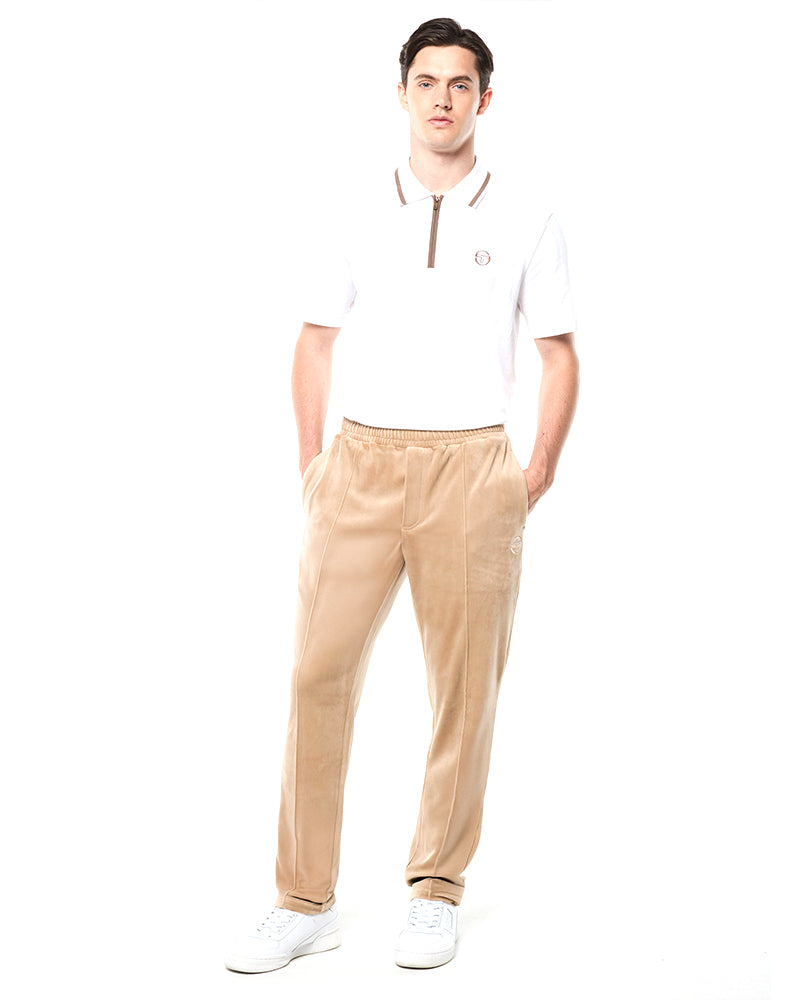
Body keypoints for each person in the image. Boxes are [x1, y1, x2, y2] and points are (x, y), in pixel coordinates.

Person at [225, 17, 579, 973]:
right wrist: (313, 463)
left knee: (463, 690)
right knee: (317, 674)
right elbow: (314, 338)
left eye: (460, 84)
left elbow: (558, 353)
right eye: (427, 82)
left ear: (485, 98)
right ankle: (303, 899)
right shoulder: (354, 205)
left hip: (473, 465)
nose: (442, 99)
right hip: (361, 462)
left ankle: (435, 889)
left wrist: (536, 470)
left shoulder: (528, 214)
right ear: (402, 94)